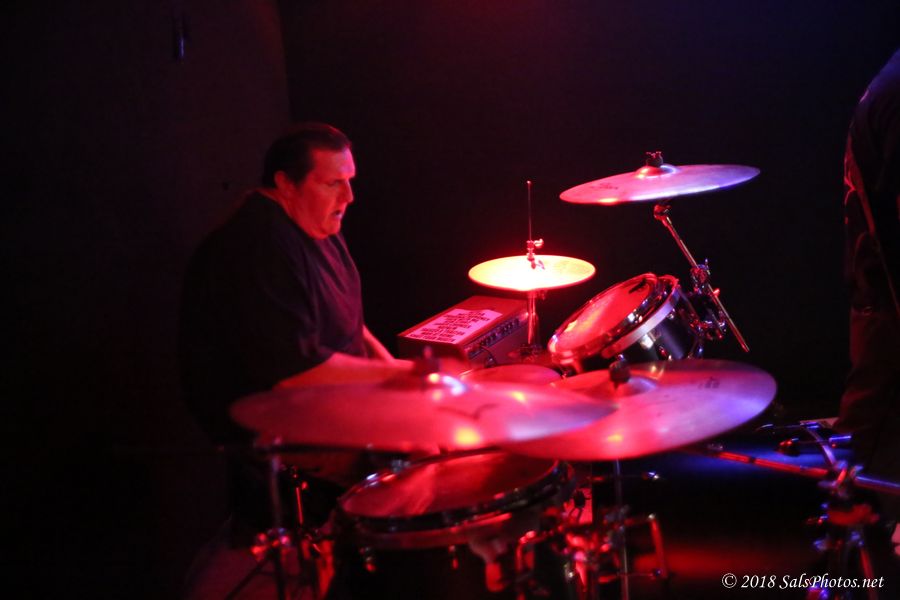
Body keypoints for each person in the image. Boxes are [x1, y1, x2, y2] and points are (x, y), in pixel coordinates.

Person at [178, 124, 412, 594]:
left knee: (433, 433)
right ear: (285, 183)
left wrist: (404, 383)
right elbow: (294, 374)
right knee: (410, 465)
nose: (348, 197)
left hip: (327, 398)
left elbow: (352, 326)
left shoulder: (316, 224)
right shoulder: (257, 247)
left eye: (350, 181)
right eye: (332, 183)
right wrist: (402, 377)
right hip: (275, 425)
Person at [836, 48, 900, 563]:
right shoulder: (896, 93)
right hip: (888, 289)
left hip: (879, 285)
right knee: (871, 422)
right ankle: (851, 552)